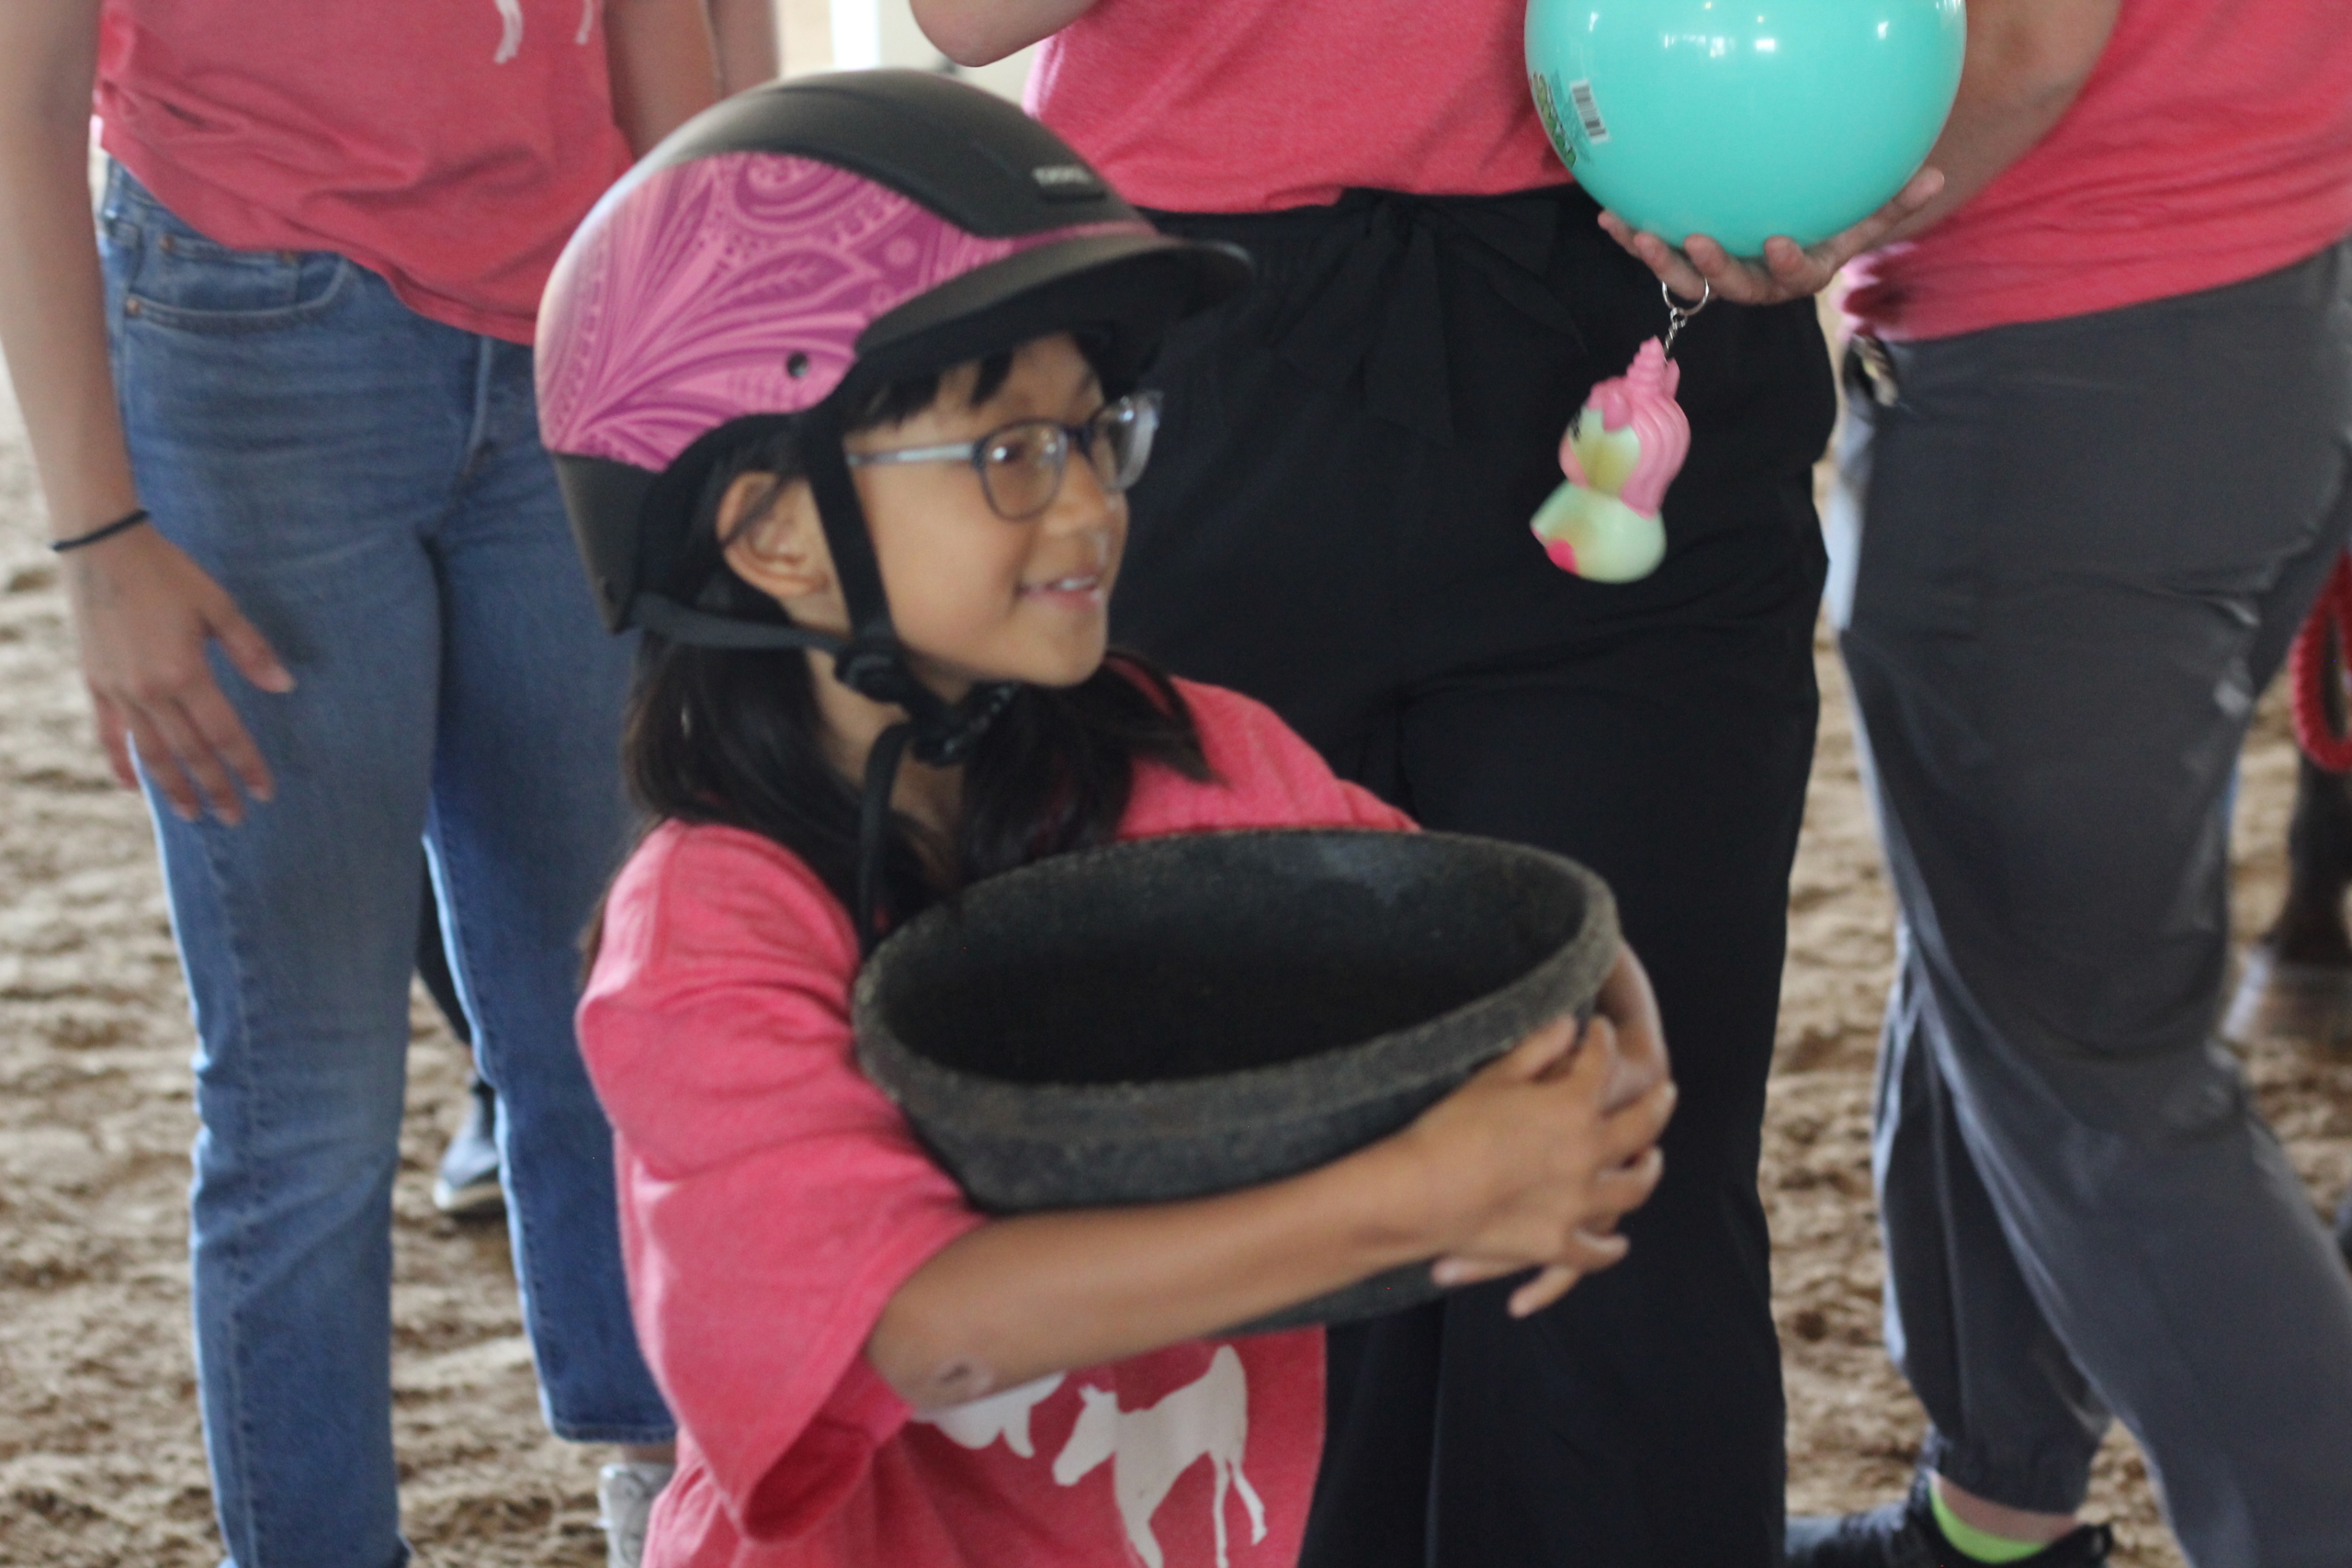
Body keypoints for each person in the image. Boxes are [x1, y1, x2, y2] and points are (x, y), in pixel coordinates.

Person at [539, 72, 1679, 1567]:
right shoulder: (706, 929)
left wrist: (1607, 1036)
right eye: (1009, 454)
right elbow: (925, 1331)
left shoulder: (1192, 752)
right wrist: (1412, 1195)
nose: (1089, 508)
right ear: (775, 535)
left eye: (1098, 434)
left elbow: (1492, 936)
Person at [904, 6, 1932, 1566]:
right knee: (1252, 1163)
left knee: (1615, 1150)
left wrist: (1827, 153)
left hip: (1644, 307)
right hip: (1190, 349)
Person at [0, 3, 759, 1562]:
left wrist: (697, 367)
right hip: (249, 341)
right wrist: (91, 539)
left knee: (611, 1016)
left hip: (580, 311)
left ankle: (665, 1502)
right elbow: (19, 94)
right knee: (303, 1096)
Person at [1620, 1, 2352, 1563]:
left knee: (2098, 1068)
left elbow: (2023, 41)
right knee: (2003, 961)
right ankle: (1997, 1512)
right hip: (2260, 271)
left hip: (2084, 332)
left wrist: (1790, 222)